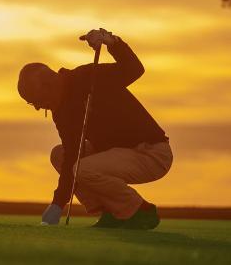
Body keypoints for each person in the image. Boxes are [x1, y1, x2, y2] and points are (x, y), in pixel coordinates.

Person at [17, 28, 172, 229]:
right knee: (60, 155)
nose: (39, 108)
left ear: (49, 85)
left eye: (35, 102)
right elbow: (72, 154)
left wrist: (112, 43)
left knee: (83, 169)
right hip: (114, 153)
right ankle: (110, 213)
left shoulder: (88, 76)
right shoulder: (61, 111)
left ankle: (141, 211)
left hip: (150, 153)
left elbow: (134, 69)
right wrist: (57, 204)